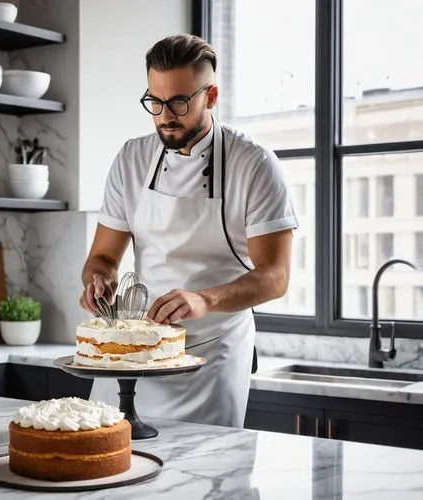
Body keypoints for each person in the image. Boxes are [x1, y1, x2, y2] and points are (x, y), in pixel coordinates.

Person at [80, 34, 298, 428]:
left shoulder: (254, 164)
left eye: (179, 102)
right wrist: (100, 279)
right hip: (135, 353)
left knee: (203, 481)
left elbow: (276, 277)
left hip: (213, 354)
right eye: (155, 101)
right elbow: (103, 256)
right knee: (110, 468)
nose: (166, 115)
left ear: (211, 96)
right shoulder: (131, 158)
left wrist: (204, 299)